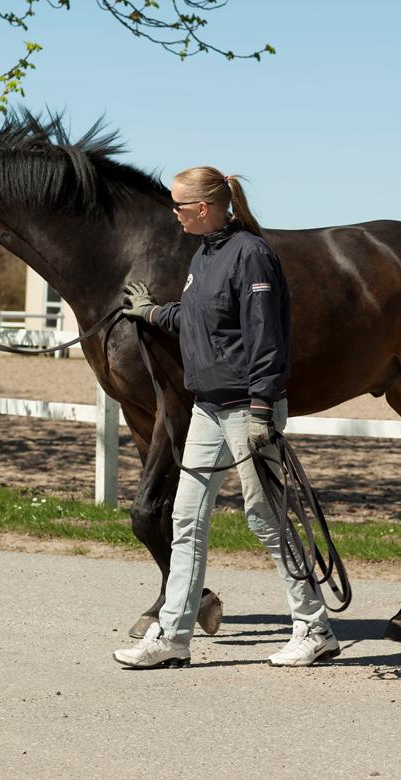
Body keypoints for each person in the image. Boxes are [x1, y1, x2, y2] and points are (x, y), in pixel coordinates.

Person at [112, 166, 340, 669]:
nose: (173, 214)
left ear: (203, 207)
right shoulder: (205, 254)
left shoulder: (251, 255)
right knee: (185, 518)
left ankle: (314, 627)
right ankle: (172, 636)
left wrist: (262, 406)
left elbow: (266, 338)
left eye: (178, 206)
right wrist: (151, 312)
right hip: (208, 410)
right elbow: (201, 322)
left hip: (246, 410)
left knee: (265, 516)